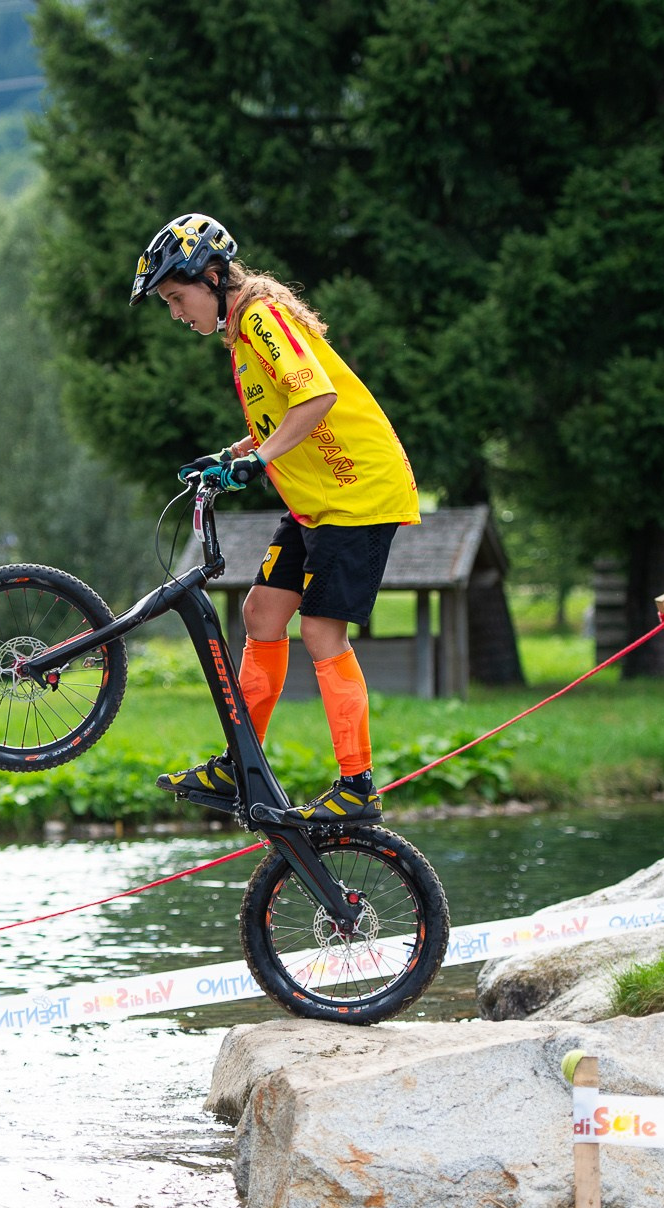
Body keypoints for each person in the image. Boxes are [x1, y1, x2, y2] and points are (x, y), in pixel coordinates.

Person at [132, 213, 421, 826]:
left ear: (210, 277)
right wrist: (233, 455)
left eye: (176, 299)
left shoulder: (262, 317)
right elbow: (284, 410)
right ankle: (243, 765)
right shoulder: (243, 332)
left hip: (357, 494)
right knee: (261, 613)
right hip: (317, 501)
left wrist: (258, 461)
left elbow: (318, 397)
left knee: (322, 631)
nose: (177, 315)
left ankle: (357, 786)